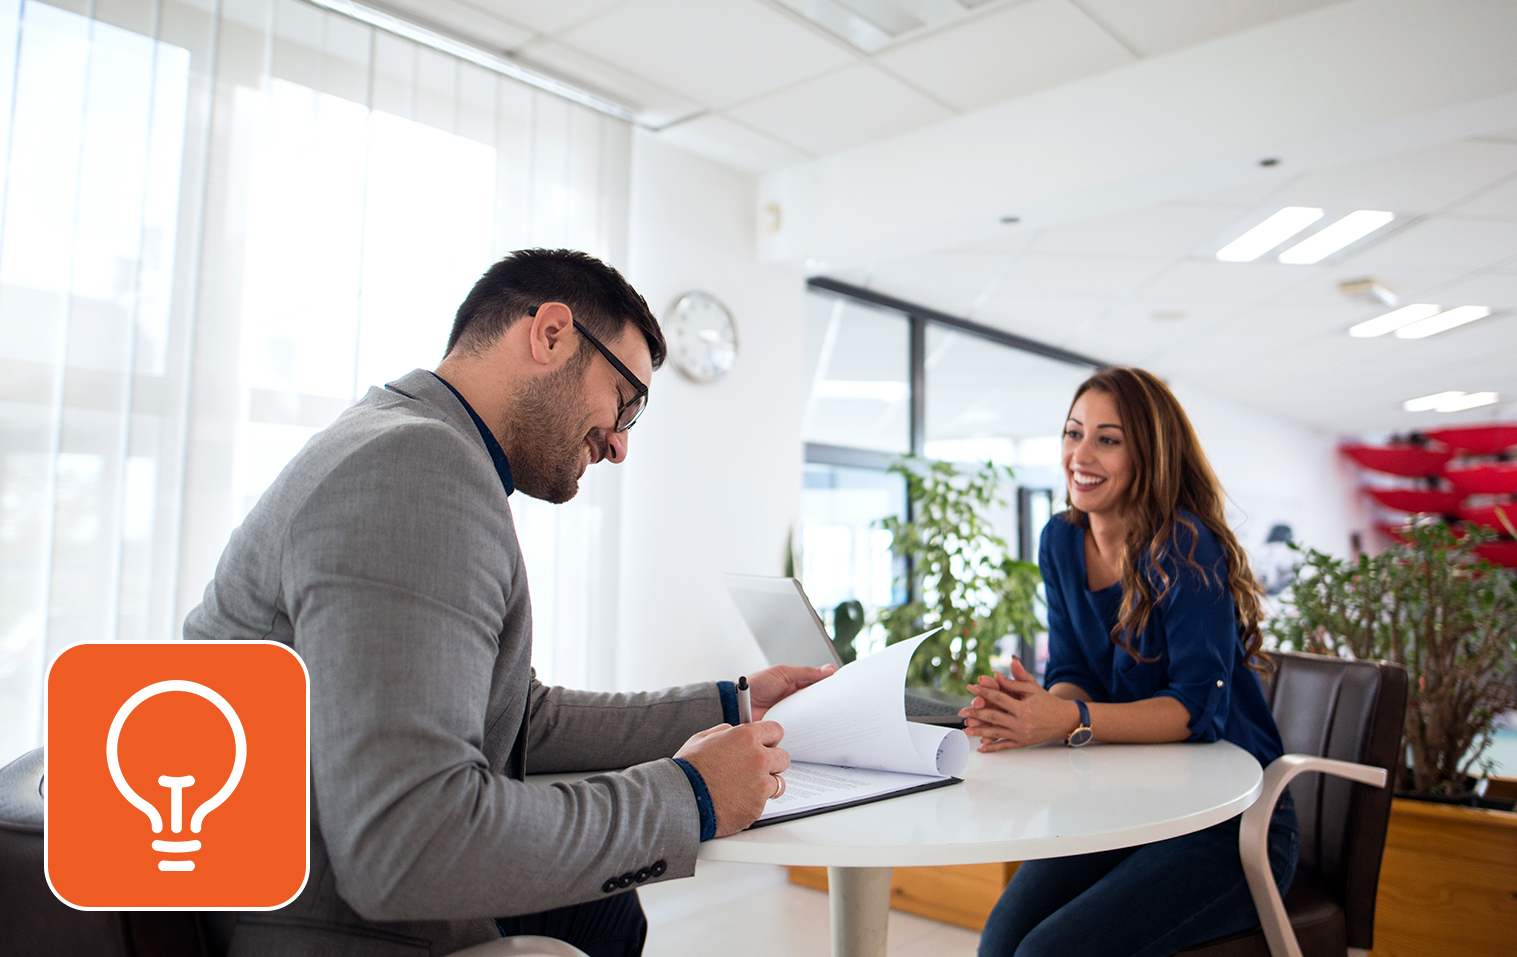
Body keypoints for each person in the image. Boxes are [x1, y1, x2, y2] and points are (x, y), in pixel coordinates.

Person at [183, 249, 831, 957]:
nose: (618, 445)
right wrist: (692, 797)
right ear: (551, 333)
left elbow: (519, 716)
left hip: (291, 887)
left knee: (606, 914)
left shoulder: (403, 441)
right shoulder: (413, 470)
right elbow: (409, 840)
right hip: (321, 924)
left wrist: (731, 705)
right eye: (627, 401)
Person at [960, 366, 1298, 957]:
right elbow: (1076, 671)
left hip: (1234, 819)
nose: (1080, 454)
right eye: (1073, 432)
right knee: (1001, 943)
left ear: (1149, 455)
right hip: (1134, 799)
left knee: (1048, 953)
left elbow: (1199, 711)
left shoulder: (1185, 546)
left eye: (1107, 439)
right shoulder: (1060, 540)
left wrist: (1068, 722)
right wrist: (1035, 714)